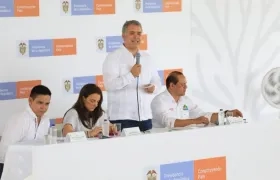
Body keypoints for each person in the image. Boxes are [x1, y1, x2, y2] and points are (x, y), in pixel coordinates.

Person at [102, 20, 161, 132]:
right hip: (122, 118)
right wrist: (131, 75)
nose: (136, 36)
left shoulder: (147, 57)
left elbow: (157, 81)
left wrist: (154, 87)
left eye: (139, 33)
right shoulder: (113, 57)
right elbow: (109, 85)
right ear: (123, 36)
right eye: (132, 33)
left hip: (145, 117)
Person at [151, 71, 243, 128]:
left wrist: (227, 114)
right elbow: (168, 122)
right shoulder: (159, 101)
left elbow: (203, 116)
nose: (186, 87)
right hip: (163, 142)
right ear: (172, 85)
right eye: (182, 84)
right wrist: (194, 121)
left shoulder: (186, 100)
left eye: (185, 84)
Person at [0, 85, 51, 178]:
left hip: (33, 167)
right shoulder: (19, 119)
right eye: (40, 102)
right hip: (10, 168)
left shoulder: (46, 120)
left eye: (47, 104)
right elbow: (5, 150)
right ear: (30, 101)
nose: (44, 107)